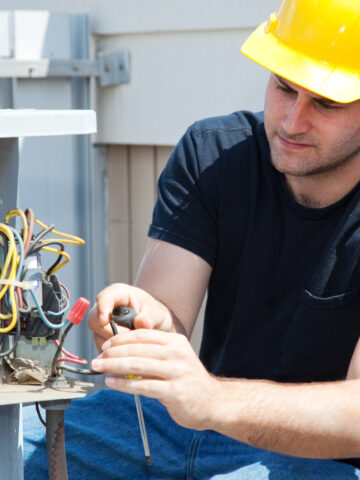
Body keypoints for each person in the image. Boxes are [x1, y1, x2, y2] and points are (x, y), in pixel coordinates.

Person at [23, 0, 360, 478]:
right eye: (284, 87)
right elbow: (168, 320)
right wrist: (147, 321)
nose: (291, 121)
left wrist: (211, 398)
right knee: (14, 449)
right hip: (179, 428)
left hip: (317, 460)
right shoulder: (213, 153)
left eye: (326, 103)